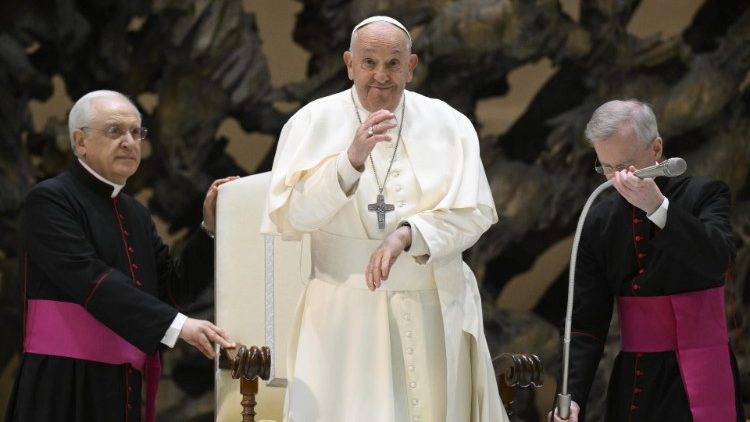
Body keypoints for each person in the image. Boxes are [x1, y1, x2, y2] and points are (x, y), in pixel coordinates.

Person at [261, 15, 507, 422]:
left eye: (393, 63)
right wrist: (350, 162)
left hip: (432, 309)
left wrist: (410, 235)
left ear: (411, 66)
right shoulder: (311, 122)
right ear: (349, 64)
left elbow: (476, 214)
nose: (381, 75)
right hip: (342, 316)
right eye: (369, 62)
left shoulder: (450, 125)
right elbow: (292, 217)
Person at [5, 90, 237, 422]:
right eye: (115, 131)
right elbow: (90, 278)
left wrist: (209, 228)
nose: (129, 142)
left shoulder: (135, 213)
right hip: (64, 382)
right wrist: (178, 326)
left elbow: (173, 290)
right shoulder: (50, 200)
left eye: (135, 132)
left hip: (121, 383)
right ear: (80, 141)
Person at [551, 100, 744, 421]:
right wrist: (570, 398)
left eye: (626, 165)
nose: (617, 179)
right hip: (636, 379)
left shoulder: (706, 194)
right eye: (606, 168)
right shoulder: (598, 219)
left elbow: (719, 260)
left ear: (656, 148)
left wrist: (658, 208)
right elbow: (585, 325)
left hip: (705, 368)